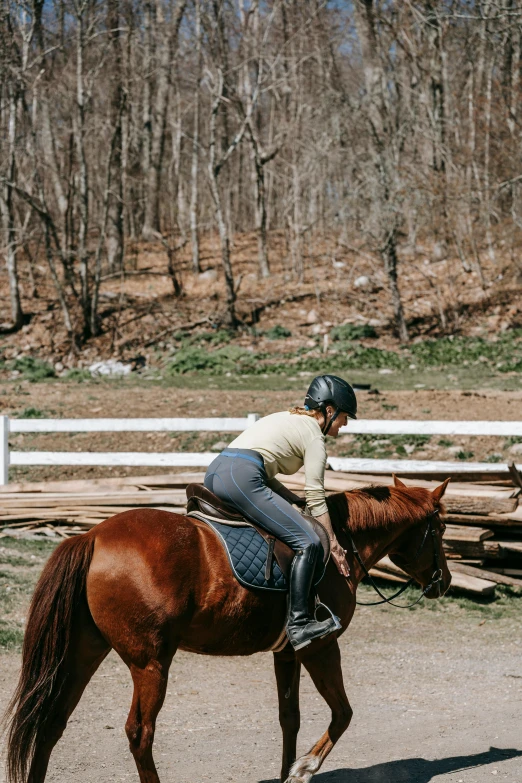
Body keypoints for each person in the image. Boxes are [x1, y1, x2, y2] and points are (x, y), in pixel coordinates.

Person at [204, 374, 357, 651]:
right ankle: (299, 624)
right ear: (330, 411)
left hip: (217, 471)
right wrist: (333, 543)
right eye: (345, 416)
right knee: (308, 542)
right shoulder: (314, 437)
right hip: (243, 476)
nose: (345, 424)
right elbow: (316, 494)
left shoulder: (285, 417)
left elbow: (263, 466)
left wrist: (289, 498)